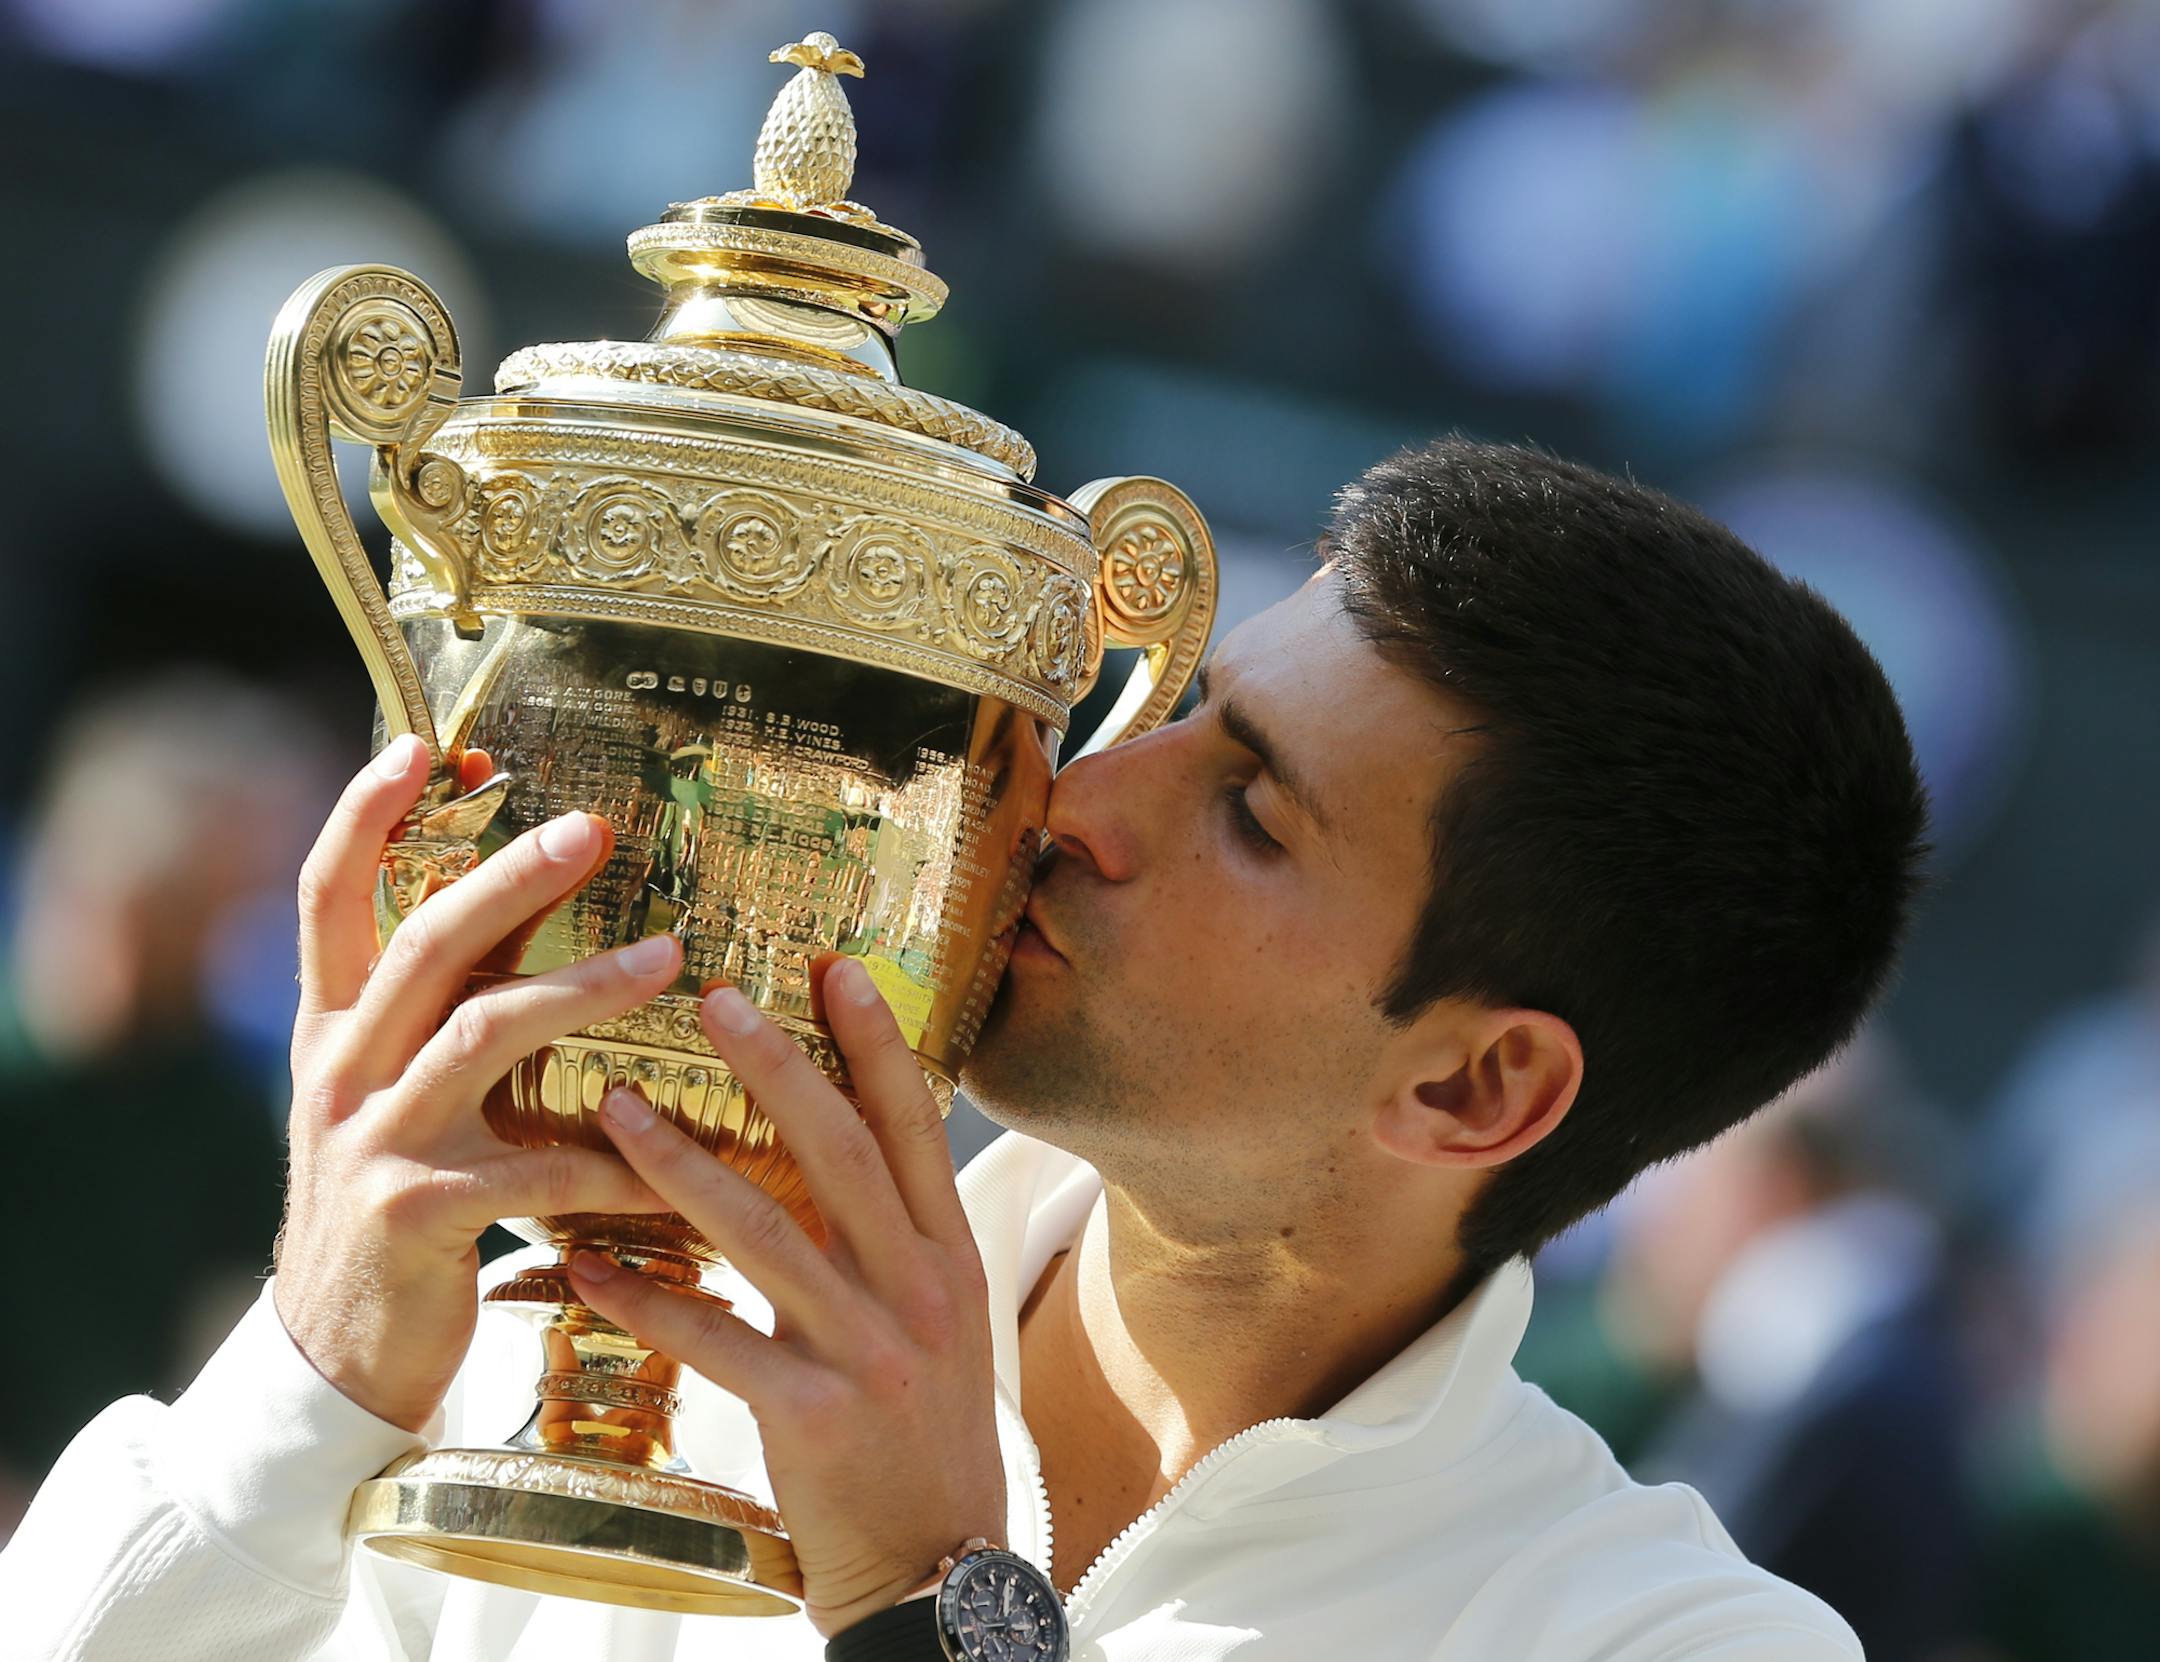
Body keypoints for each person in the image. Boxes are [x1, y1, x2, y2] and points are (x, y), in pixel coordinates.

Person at [0, 439, 1930, 1660]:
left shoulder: (1655, 1637)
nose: (1085, 796)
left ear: (1473, 1086)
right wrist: (316, 1362)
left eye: (1252, 811)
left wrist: (933, 1610)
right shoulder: (556, 1358)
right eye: (1182, 714)